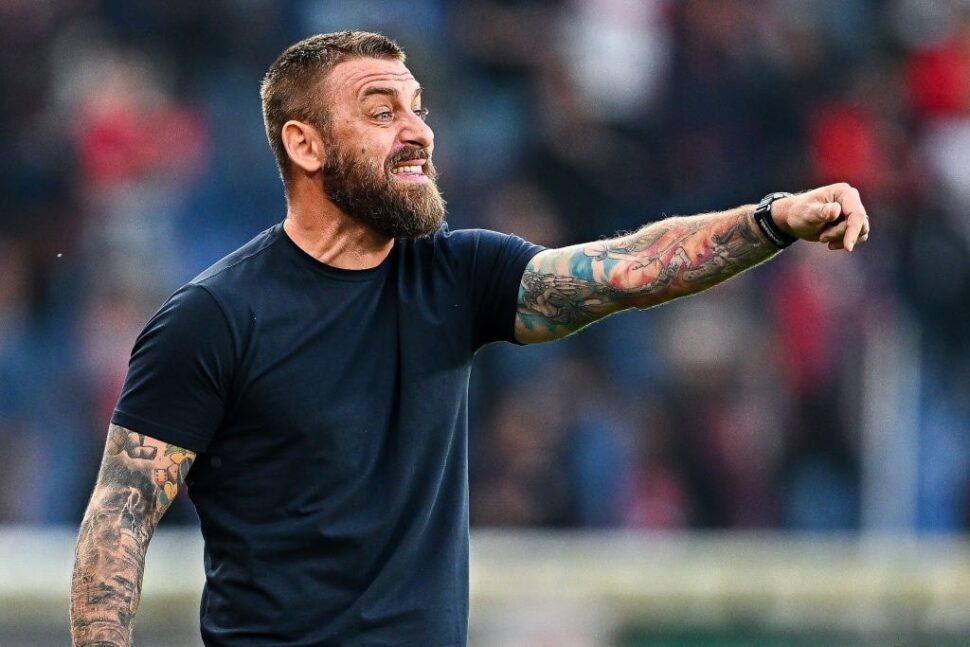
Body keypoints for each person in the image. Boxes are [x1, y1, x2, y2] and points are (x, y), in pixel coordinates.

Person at [69, 31, 870, 647]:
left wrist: (771, 220)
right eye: (381, 112)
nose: (418, 131)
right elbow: (119, 520)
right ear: (305, 145)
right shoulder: (212, 319)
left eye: (418, 107)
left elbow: (629, 269)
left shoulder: (456, 275)